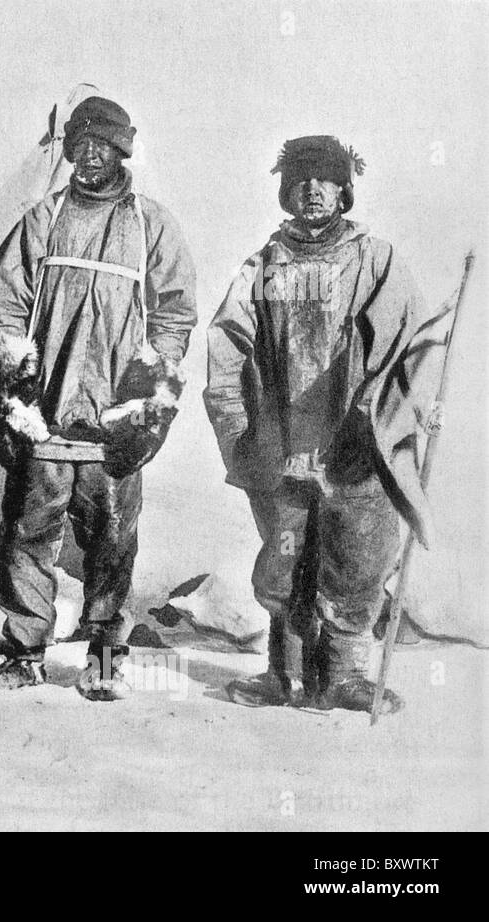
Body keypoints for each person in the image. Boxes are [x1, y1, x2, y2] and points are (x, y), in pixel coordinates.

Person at [0, 96, 197, 698]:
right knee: (26, 535)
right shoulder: (42, 219)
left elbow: (175, 312)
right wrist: (15, 371)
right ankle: (24, 651)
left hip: (113, 422)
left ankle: (104, 656)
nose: (91, 154)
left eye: (104, 144)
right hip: (45, 417)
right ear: (69, 150)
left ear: (122, 150)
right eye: (81, 143)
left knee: (112, 541)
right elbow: (3, 301)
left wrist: (153, 379)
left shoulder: (151, 224)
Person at [204, 135, 424, 713]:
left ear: (345, 190)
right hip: (283, 446)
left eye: (326, 179)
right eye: (301, 178)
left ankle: (346, 675)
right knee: (285, 558)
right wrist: (239, 428)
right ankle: (285, 673)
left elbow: (413, 346)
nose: (313, 190)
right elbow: (226, 347)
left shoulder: (376, 261)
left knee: (357, 557)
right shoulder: (262, 265)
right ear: (286, 189)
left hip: (353, 445)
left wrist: (387, 420)